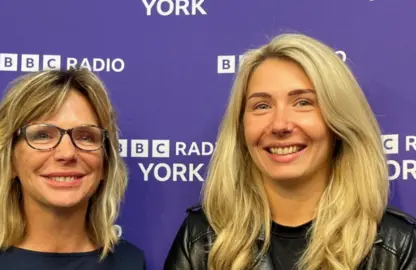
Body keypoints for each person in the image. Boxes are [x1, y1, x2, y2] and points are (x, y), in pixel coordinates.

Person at [164, 33, 416, 269]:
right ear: (241, 127)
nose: (280, 124)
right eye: (262, 106)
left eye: (303, 102)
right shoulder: (201, 238)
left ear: (338, 121)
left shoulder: (398, 245)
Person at [0, 68, 146, 269]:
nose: (67, 154)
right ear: (9, 159)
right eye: (42, 135)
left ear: (106, 162)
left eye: (85, 136)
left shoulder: (130, 262)